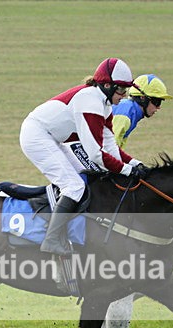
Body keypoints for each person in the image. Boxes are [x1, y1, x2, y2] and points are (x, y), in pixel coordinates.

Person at [20, 58, 146, 256]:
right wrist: (127, 170)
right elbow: (96, 154)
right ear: (107, 85)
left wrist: (135, 163)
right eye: (121, 90)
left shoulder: (103, 104)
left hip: (52, 138)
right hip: (36, 136)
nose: (124, 96)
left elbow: (110, 147)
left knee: (85, 177)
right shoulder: (90, 101)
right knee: (74, 186)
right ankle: (51, 240)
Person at [112, 73, 172, 149]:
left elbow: (118, 149)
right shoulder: (125, 114)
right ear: (142, 98)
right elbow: (109, 149)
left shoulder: (131, 113)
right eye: (156, 102)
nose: (158, 107)